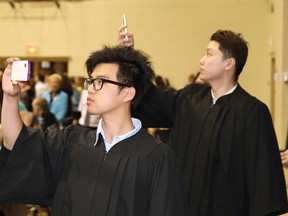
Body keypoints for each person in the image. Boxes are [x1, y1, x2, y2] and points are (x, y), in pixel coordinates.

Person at [119, 26, 288, 215]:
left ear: (229, 64)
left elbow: (262, 177)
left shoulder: (252, 112)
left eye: (209, 54)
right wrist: (130, 58)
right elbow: (152, 98)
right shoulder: (190, 99)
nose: (201, 60)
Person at [0, 46, 188, 216]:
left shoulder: (156, 157)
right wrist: (10, 96)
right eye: (91, 81)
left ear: (127, 93)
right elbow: (17, 143)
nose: (90, 89)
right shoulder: (72, 141)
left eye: (100, 81)